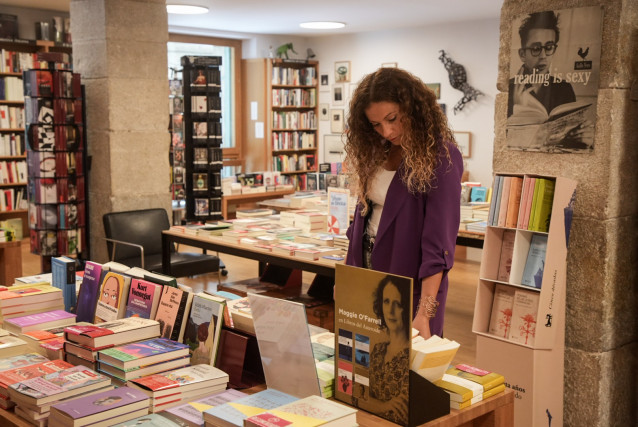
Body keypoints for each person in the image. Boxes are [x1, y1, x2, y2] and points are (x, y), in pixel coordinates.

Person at [344, 67, 463, 339]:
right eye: (376, 124)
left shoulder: (441, 156)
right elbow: (362, 215)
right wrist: (346, 274)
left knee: (402, 371)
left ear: (412, 108)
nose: (386, 131)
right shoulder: (378, 150)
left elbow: (439, 245)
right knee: (361, 361)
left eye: (393, 118)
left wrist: (425, 312)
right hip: (364, 270)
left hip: (407, 282)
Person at [507, 11, 593, 146]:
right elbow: (503, 142)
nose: (543, 56)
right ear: (522, 54)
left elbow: (569, 141)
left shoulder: (564, 88)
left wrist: (581, 136)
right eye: (536, 48)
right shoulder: (509, 89)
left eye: (549, 47)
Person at [367, 275, 411, 425]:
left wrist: (375, 406)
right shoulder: (378, 350)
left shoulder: (411, 355)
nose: (390, 311)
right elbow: (362, 396)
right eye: (386, 302)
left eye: (397, 304)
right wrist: (383, 406)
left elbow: (402, 412)